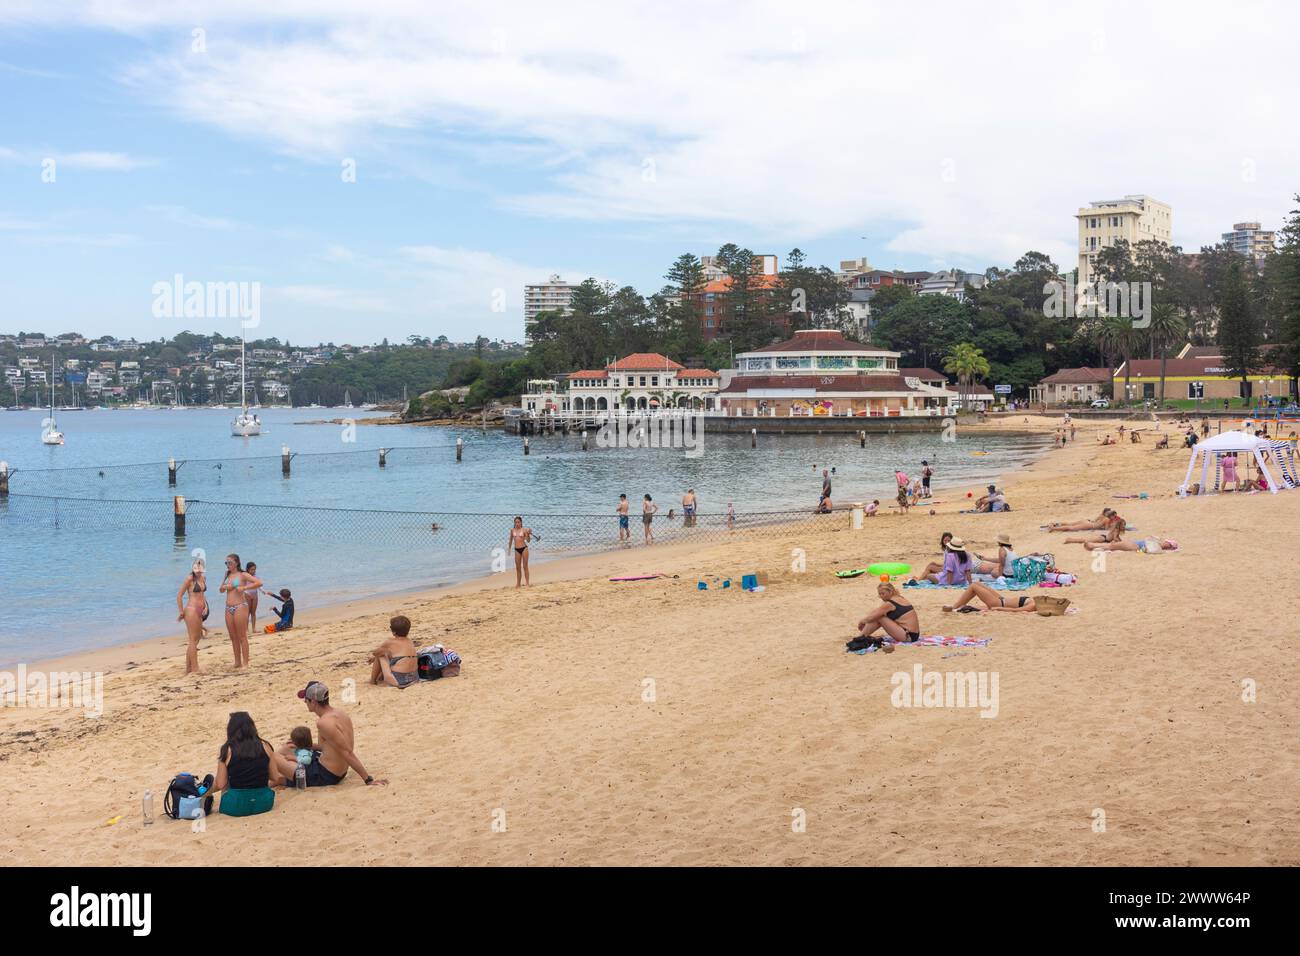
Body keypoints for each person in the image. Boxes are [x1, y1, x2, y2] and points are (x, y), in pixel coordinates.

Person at [293, 681, 386, 787]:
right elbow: (328, 746)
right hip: (336, 770)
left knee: (282, 764)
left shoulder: (324, 723)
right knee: (292, 750)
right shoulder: (340, 713)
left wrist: (368, 780)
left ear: (313, 702)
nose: (305, 702)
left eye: (306, 699)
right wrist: (302, 745)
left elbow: (347, 752)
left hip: (327, 775)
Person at [213, 711, 298, 805]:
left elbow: (220, 784)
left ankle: (201, 794)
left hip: (236, 806)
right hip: (264, 803)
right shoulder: (266, 746)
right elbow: (275, 777)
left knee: (224, 780)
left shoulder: (227, 749)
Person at [219, 553, 261, 670]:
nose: (228, 565)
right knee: (233, 637)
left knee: (242, 636)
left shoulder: (243, 574)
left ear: (236, 563)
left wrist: (244, 588)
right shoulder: (227, 574)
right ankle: (237, 662)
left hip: (240, 606)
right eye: (226, 563)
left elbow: (258, 582)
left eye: (230, 563)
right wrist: (225, 587)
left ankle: (245, 663)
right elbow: (221, 590)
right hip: (228, 607)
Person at [851, 582, 920, 648]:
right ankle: (862, 636)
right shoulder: (899, 598)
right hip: (913, 634)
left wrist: (861, 622)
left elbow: (873, 617)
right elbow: (877, 611)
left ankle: (860, 638)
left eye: (883, 594)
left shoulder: (890, 603)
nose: (881, 596)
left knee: (880, 617)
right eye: (879, 594)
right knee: (878, 616)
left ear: (890, 592)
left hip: (908, 636)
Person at [176, 558, 209, 675]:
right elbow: (179, 595)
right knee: (193, 640)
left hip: (200, 610)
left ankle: (188, 669)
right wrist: (181, 612)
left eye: (201, 567)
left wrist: (205, 606)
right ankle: (195, 668)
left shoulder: (203, 578)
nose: (198, 569)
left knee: (197, 639)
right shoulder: (189, 579)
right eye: (196, 567)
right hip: (191, 610)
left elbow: (202, 594)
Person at [369, 615, 420, 688]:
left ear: (394, 632)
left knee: (381, 655)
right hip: (414, 678)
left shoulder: (390, 642)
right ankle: (380, 678)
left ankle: (373, 681)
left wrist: (373, 657)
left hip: (398, 680)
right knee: (389, 655)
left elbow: (375, 653)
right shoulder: (410, 641)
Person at [942, 581, 1038, 613]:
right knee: (977, 583)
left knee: (973, 587)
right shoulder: (1036, 601)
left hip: (999, 603)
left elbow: (1016, 611)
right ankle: (959, 606)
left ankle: (954, 607)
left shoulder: (1033, 606)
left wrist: (998, 608)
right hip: (1001, 599)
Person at [508, 516, 532, 587]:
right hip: (516, 550)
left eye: (518, 522)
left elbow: (528, 540)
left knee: (525, 566)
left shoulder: (524, 530)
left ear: (521, 523)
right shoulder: (512, 530)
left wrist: (528, 534)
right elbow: (510, 540)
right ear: (514, 523)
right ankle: (518, 584)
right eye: (515, 522)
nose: (517, 523)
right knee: (518, 567)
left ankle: (527, 583)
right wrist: (509, 549)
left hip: (524, 548)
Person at [1046, 508, 1115, 532]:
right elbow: (1106, 529)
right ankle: (1053, 528)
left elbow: (1095, 520)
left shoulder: (1101, 515)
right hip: (1089, 525)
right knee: (1071, 528)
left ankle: (1055, 523)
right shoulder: (1107, 520)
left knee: (1070, 524)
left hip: (1088, 521)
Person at [1083, 538, 1179, 553]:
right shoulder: (1157, 543)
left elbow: (1146, 549)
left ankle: (1092, 546)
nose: (1165, 541)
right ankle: (1092, 546)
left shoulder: (1158, 547)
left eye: (1167, 542)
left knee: (1112, 546)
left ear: (1168, 545)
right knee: (1112, 545)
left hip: (1135, 546)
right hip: (1134, 544)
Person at [244, 561, 260, 634]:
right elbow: (241, 587)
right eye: (252, 569)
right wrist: (246, 593)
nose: (253, 571)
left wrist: (263, 591)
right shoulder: (245, 576)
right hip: (247, 596)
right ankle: (246, 629)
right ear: (248, 569)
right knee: (247, 613)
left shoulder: (256, 576)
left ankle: (254, 628)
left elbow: (258, 585)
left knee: (253, 613)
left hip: (255, 595)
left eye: (254, 569)